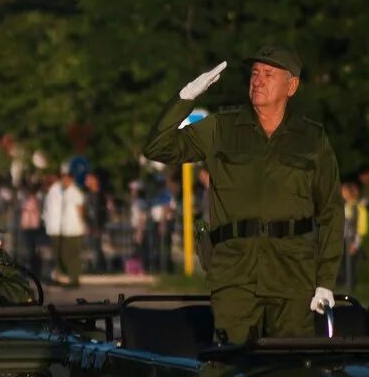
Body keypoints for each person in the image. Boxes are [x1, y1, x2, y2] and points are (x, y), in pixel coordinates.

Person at [143, 45, 342, 343]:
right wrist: (185, 97)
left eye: (268, 74)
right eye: (254, 73)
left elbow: (331, 211)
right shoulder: (221, 128)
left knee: (292, 372)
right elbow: (157, 147)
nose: (258, 80)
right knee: (232, 370)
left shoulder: (312, 138)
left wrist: (325, 281)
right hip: (234, 275)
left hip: (293, 276)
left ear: (292, 86)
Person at [58, 167, 85, 287]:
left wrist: (81, 224)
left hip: (74, 229)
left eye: (66, 178)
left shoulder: (75, 192)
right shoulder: (66, 191)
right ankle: (71, 277)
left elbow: (80, 209)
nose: (64, 180)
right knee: (67, 255)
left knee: (73, 256)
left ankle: (74, 280)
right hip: (67, 228)